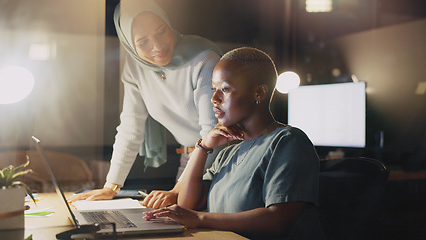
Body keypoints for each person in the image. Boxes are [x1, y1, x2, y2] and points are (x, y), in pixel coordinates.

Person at [143, 47, 325, 239]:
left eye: (225, 89)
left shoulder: (288, 142)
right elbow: (187, 205)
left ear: (259, 92)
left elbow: (277, 220)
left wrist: (201, 219)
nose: (214, 99)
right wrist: (203, 147)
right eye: (214, 90)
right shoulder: (228, 153)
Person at [68, 0, 221, 204]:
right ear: (129, 45)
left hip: (221, 158)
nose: (157, 46)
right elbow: (130, 128)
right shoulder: (135, 68)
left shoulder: (204, 60)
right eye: (142, 42)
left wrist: (177, 190)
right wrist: (111, 186)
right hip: (188, 159)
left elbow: (212, 132)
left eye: (161, 31)